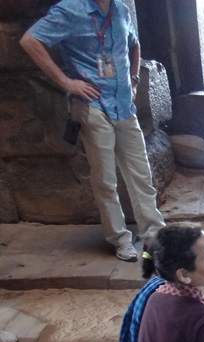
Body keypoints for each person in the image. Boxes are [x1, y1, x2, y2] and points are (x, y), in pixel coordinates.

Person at [20, 0, 165, 262]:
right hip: (93, 106)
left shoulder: (120, 9)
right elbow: (30, 41)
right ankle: (120, 239)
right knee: (105, 180)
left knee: (141, 175)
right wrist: (66, 82)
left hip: (124, 106)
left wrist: (134, 79)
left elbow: (134, 44)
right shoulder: (70, 10)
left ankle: (153, 236)